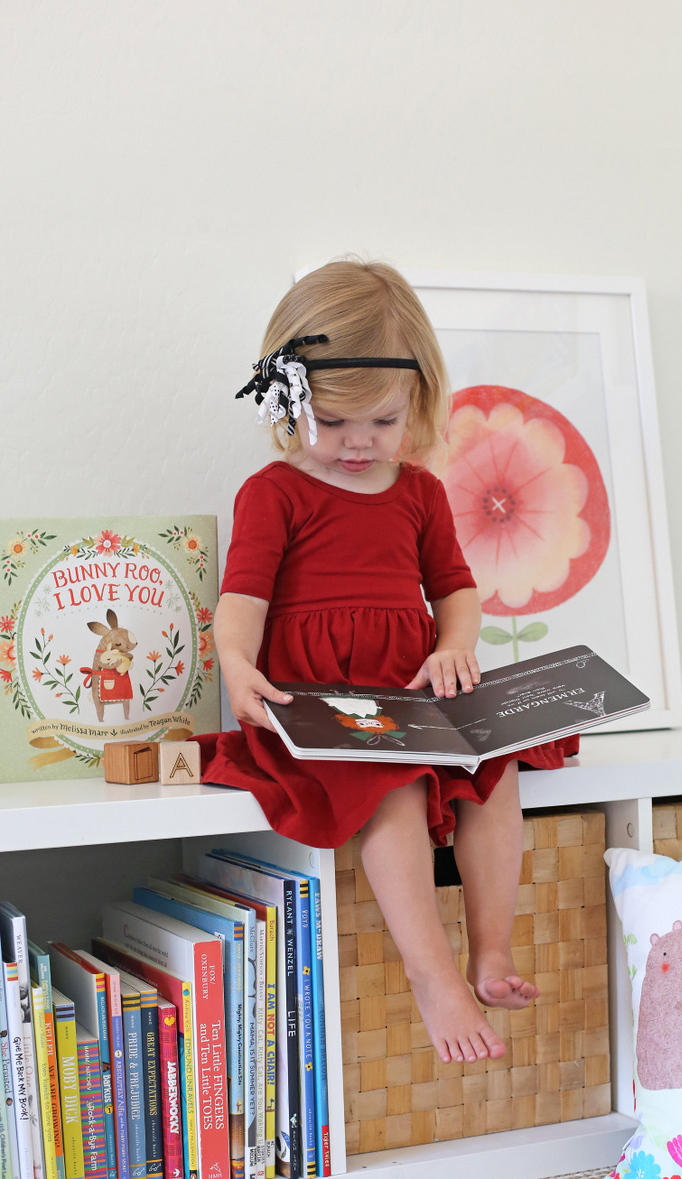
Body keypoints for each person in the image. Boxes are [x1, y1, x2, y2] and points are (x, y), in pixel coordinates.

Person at [200, 259, 577, 1065]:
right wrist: (236, 667)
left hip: (412, 693)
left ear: (417, 403)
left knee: (496, 769)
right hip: (325, 705)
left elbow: (457, 592)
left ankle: (490, 949)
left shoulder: (418, 493)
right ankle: (431, 973)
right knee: (395, 789)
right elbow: (242, 601)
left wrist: (452, 647)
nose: (357, 444)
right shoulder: (274, 492)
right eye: (332, 424)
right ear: (288, 402)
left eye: (378, 421)